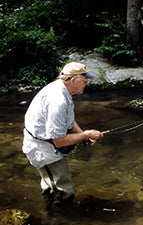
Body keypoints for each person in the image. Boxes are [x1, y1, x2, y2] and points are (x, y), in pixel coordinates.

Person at [23, 62, 103, 206]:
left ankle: (49, 207)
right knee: (64, 191)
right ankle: (62, 219)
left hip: (46, 143)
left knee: (51, 182)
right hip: (42, 149)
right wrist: (86, 134)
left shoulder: (62, 89)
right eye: (85, 81)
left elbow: (69, 121)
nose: (87, 84)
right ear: (73, 80)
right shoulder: (57, 101)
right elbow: (59, 141)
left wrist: (82, 134)